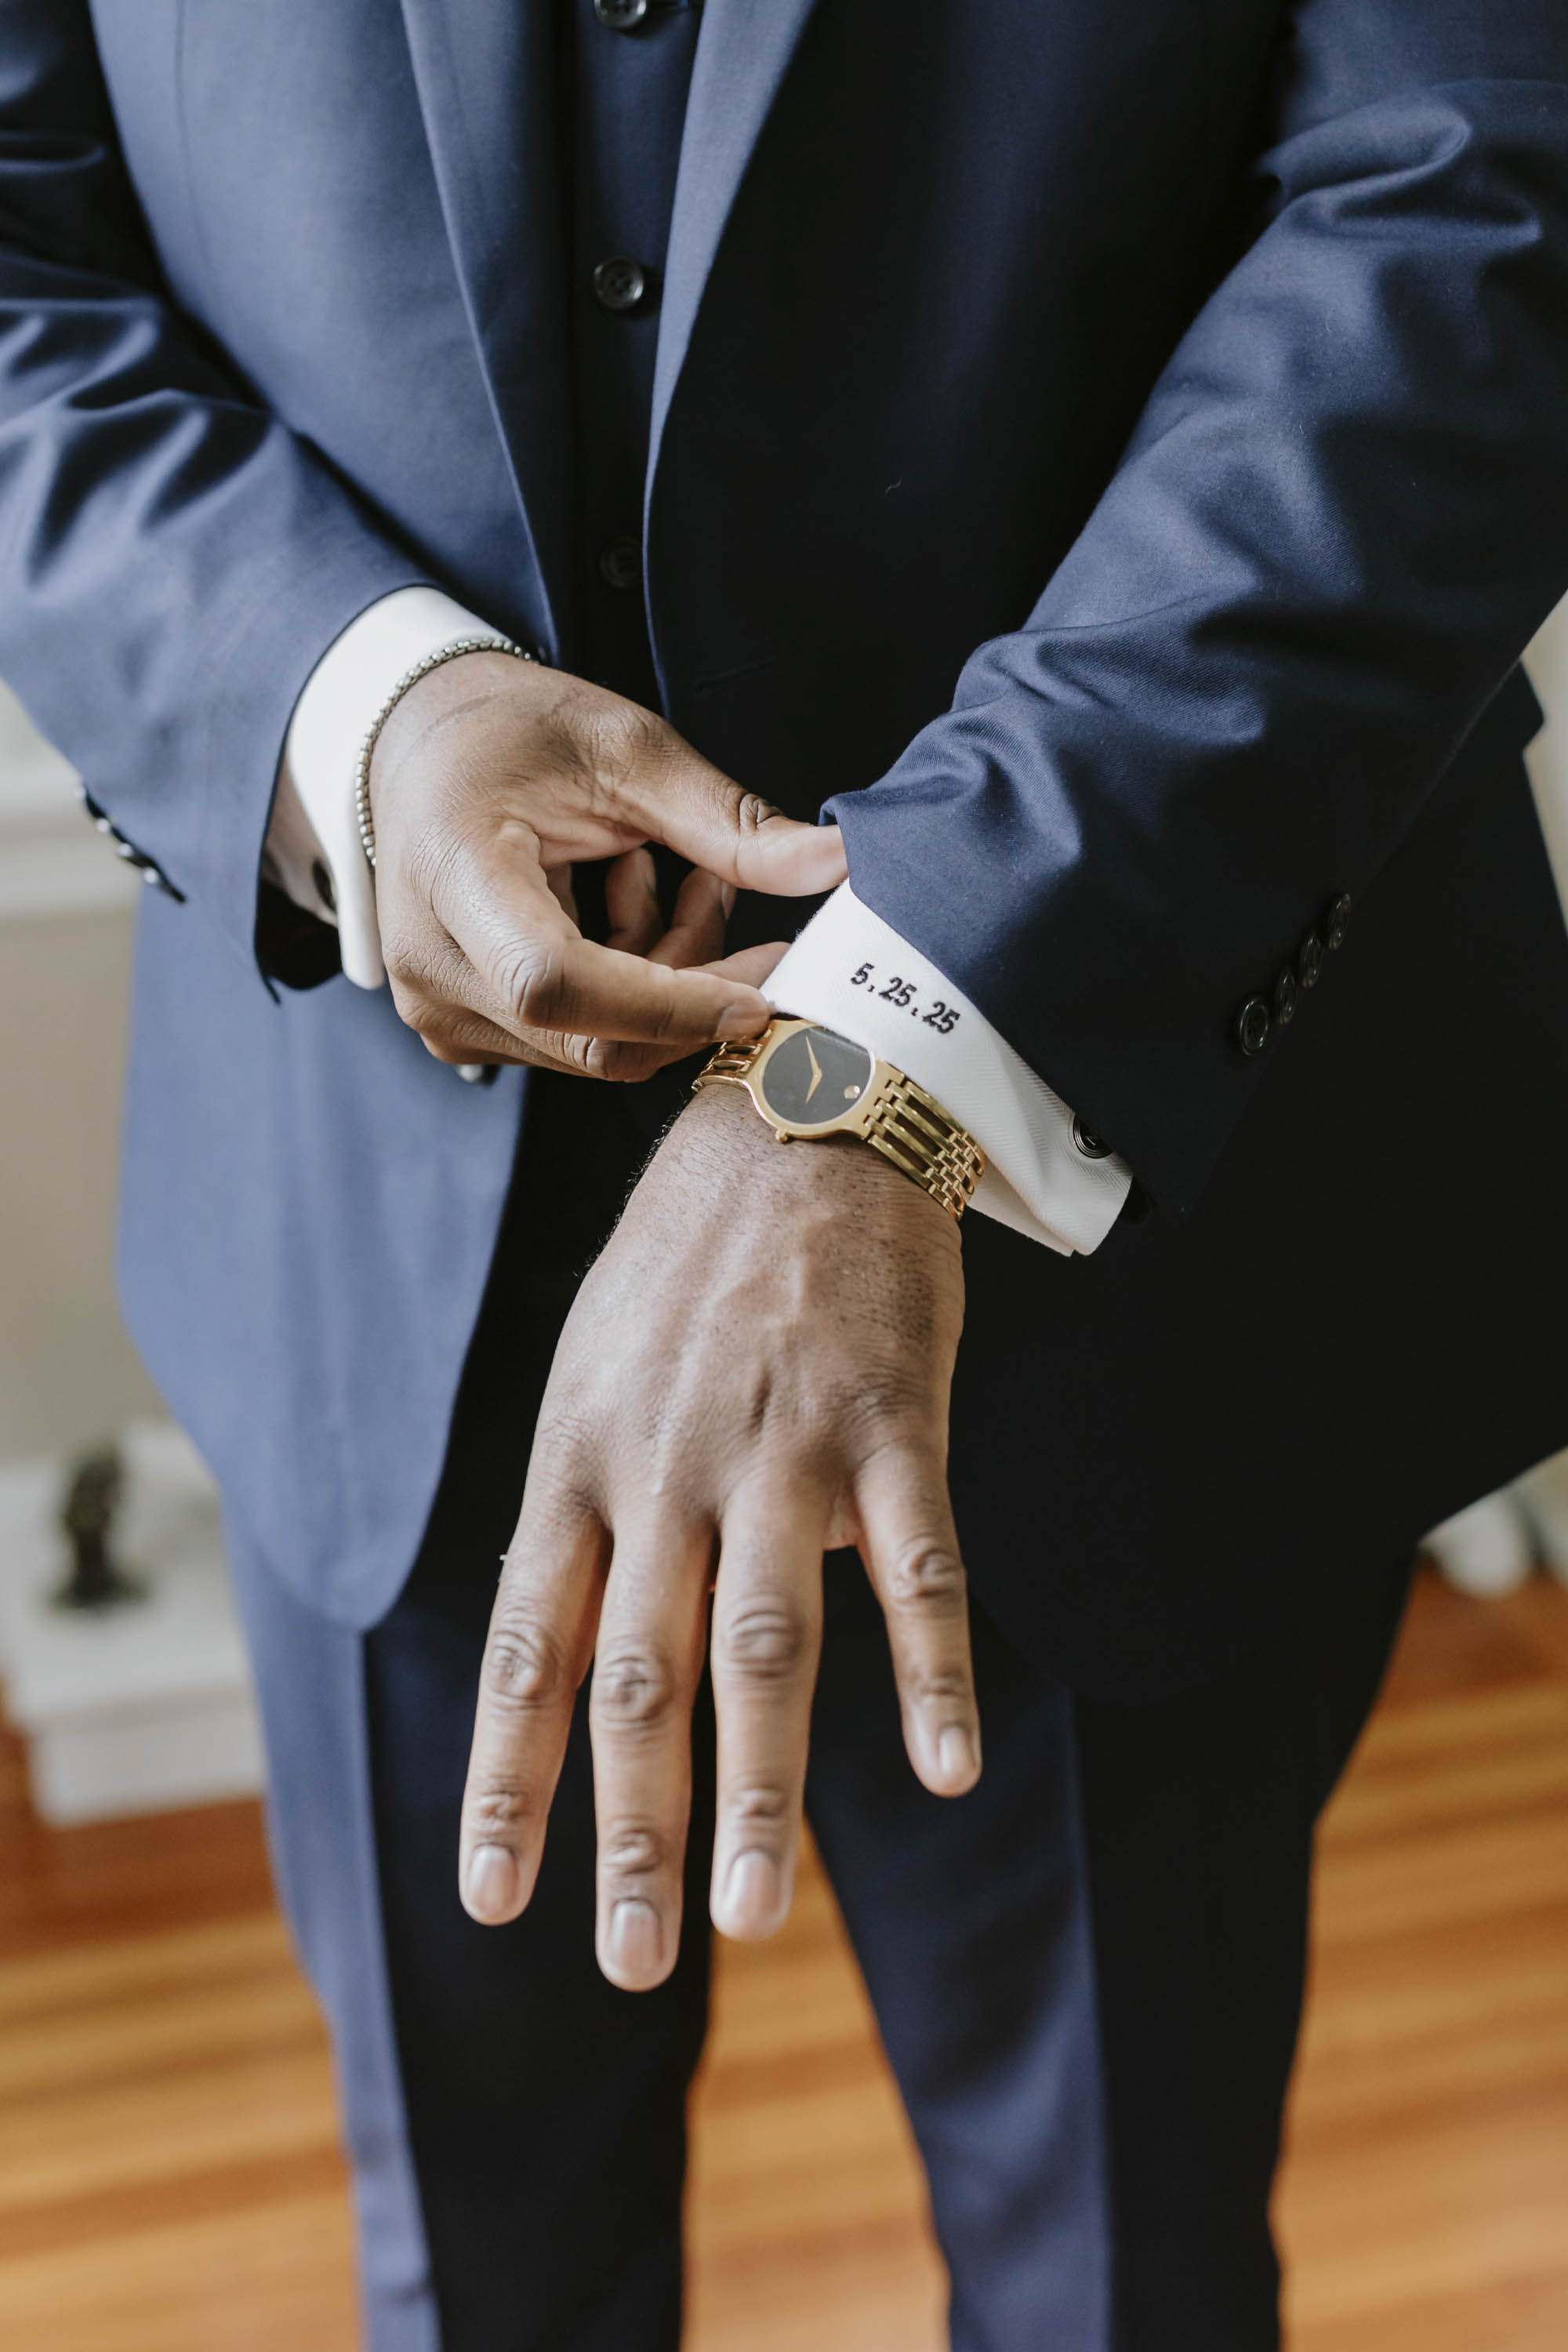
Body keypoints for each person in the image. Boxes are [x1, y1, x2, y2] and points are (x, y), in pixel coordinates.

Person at [3, 4, 1567, 2345]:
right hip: (367, 1235)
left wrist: (888, 1053)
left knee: (1121, 2280)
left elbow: (1470, 188)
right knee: (481, 2287)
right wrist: (356, 705)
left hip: (1144, 1222)